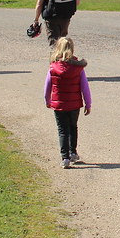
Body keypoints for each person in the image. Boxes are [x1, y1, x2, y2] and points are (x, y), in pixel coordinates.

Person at [45, 37, 92, 169]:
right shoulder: (78, 68)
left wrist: (47, 100)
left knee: (62, 130)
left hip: (59, 104)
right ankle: (73, 152)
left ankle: (64, 157)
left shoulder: (53, 67)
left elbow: (47, 86)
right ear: (72, 49)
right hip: (74, 104)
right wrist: (88, 104)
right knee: (73, 127)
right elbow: (85, 87)